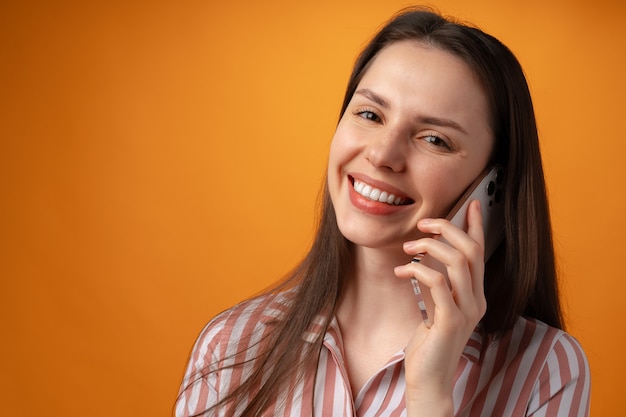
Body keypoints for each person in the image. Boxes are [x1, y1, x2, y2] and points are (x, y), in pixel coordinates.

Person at [175, 7, 590, 417]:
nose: (381, 154)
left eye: (434, 139)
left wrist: (431, 394)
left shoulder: (546, 371)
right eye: (370, 114)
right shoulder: (231, 346)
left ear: (492, 188)